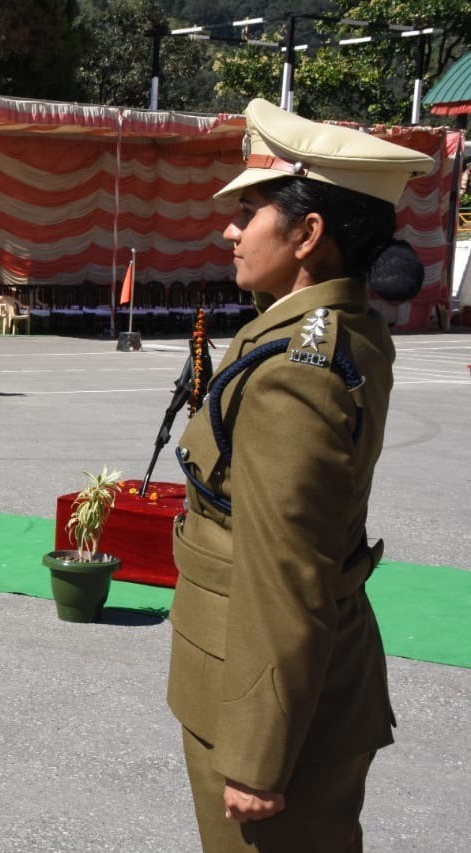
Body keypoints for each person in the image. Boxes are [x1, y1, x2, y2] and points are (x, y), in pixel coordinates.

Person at [167, 98, 434, 852]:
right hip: (288, 690)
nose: (230, 228)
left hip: (268, 708)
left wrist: (256, 755)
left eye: (249, 210)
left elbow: (285, 569)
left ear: (308, 233)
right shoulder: (329, 327)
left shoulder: (297, 373)